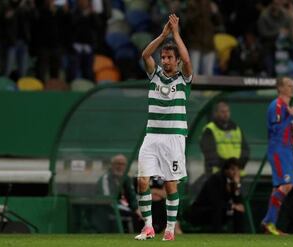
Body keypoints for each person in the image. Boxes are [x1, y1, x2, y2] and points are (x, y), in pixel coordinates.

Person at [134, 14, 192, 241]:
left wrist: (176, 34)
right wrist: (164, 35)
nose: (165, 60)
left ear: (176, 61)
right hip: (152, 136)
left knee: (170, 184)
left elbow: (187, 61)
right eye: (164, 57)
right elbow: (145, 54)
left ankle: (169, 229)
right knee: (142, 180)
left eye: (169, 57)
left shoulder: (183, 80)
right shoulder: (154, 75)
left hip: (174, 138)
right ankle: (147, 226)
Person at [262, 77, 293, 235]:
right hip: (278, 149)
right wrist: (291, 117)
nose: (292, 88)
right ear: (280, 88)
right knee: (287, 185)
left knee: (279, 187)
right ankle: (268, 222)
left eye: (292, 85)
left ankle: (271, 225)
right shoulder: (277, 105)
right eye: (289, 85)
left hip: (287, 149)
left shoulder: (286, 107)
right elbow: (276, 129)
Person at [184, 158, 245, 233]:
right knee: (218, 209)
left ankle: (239, 235)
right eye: (233, 170)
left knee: (238, 211)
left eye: (237, 170)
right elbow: (215, 201)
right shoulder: (216, 179)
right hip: (202, 211)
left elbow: (239, 203)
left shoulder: (234, 182)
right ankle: (216, 234)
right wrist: (232, 206)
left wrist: (237, 185)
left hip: (221, 209)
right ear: (226, 170)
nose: (235, 173)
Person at [200, 101, 250, 176]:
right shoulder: (209, 130)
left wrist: (237, 165)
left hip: (237, 174)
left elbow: (245, 150)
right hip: (217, 174)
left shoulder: (236, 128)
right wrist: (228, 166)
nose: (225, 114)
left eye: (227, 111)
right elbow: (210, 154)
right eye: (222, 112)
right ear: (216, 113)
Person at [95, 154, 142, 233]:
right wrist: (132, 210)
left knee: (142, 213)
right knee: (134, 215)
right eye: (118, 163)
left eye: (123, 164)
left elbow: (132, 196)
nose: (120, 166)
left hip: (122, 206)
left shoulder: (126, 178)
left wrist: (136, 208)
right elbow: (107, 199)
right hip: (106, 208)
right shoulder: (106, 178)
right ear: (112, 165)